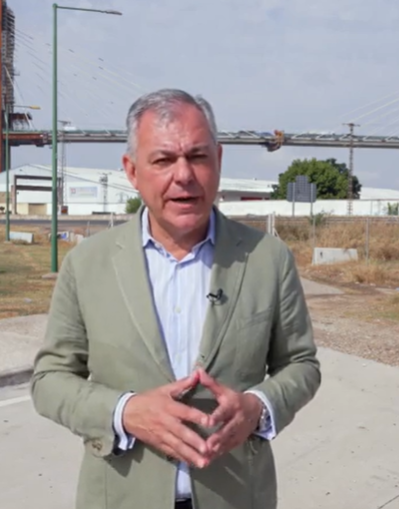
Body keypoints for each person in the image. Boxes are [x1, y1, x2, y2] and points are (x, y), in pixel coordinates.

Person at [31, 88, 321, 509]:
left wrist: (258, 407)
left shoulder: (267, 259)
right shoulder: (88, 264)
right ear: (132, 170)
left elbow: (301, 365)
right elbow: (49, 381)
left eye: (198, 157)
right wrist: (125, 412)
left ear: (218, 161)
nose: (183, 175)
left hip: (238, 496)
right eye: (163, 160)